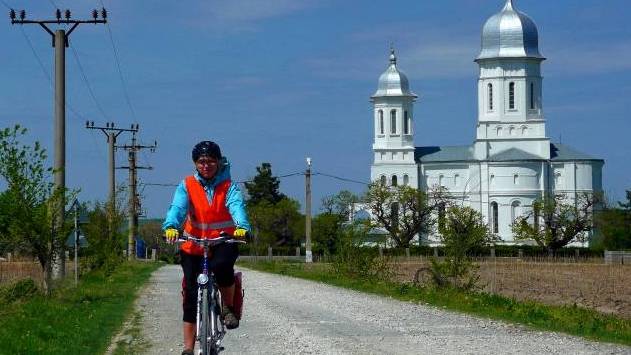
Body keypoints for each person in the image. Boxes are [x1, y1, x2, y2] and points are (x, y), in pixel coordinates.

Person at [163, 141, 250, 355]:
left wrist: (241, 227)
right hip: (194, 242)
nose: (206, 165)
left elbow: (236, 206)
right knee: (191, 294)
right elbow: (177, 208)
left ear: (219, 162)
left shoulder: (228, 186)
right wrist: (171, 226)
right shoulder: (187, 185)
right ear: (195, 163)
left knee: (221, 266)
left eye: (211, 161)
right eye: (202, 161)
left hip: (223, 241)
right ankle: (188, 347)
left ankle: (228, 308)